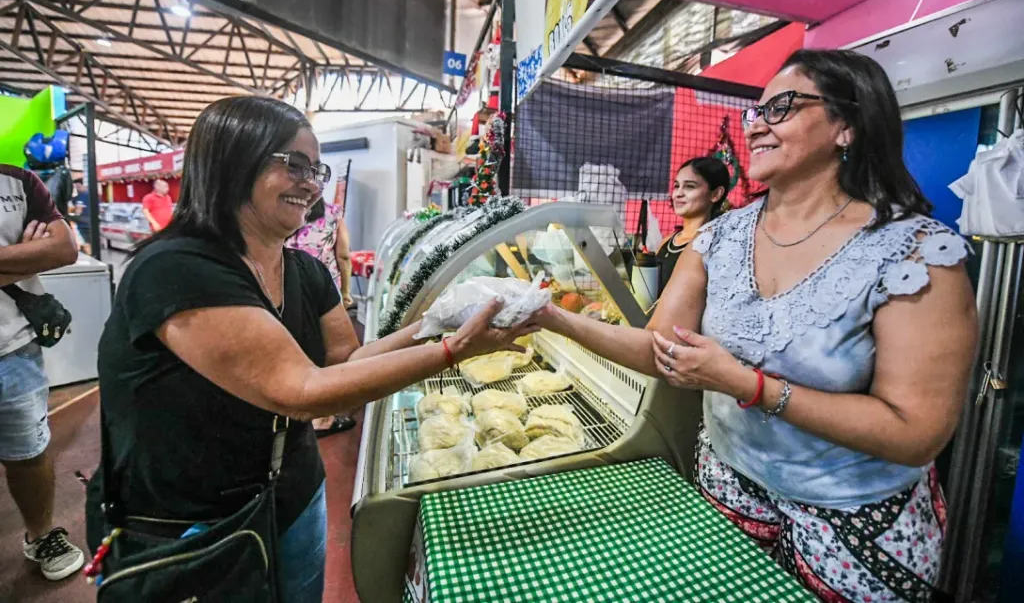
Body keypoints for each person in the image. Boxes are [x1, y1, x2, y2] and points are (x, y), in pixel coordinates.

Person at [534, 49, 977, 600]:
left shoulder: (911, 252)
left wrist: (748, 385)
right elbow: (660, 351)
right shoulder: (720, 238)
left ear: (848, 124)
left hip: (858, 527)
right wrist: (548, 318)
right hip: (729, 492)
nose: (757, 125)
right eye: (756, 112)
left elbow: (917, 433)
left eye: (783, 107)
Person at [85, 96, 536, 603]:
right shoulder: (176, 270)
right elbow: (301, 391)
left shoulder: (306, 271)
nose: (311, 183)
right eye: (293, 165)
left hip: (294, 495)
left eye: (315, 168)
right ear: (232, 162)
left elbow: (343, 367)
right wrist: (453, 350)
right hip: (192, 524)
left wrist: (436, 322)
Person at [0, 164, 84, 581]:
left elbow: (64, 250)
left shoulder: (18, 182)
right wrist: (20, 256)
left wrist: (43, 250)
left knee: (29, 454)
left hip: (13, 348)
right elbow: (43, 252)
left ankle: (40, 534)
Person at [286, 198, 358, 437]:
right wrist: (346, 293)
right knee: (330, 352)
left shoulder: (288, 212)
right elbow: (344, 256)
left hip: (291, 288)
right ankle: (322, 417)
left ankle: (302, 413)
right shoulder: (333, 213)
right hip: (326, 291)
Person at [655, 157, 730, 296]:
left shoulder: (716, 246)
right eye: (677, 186)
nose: (678, 193)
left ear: (715, 194)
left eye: (690, 186)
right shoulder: (668, 241)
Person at [71, 181, 91, 255]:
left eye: (78, 186)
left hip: (85, 224)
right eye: (76, 187)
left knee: (87, 243)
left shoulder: (85, 195)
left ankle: (90, 256)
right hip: (83, 224)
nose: (77, 188)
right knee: (86, 242)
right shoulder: (79, 196)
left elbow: (78, 210)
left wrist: (76, 215)